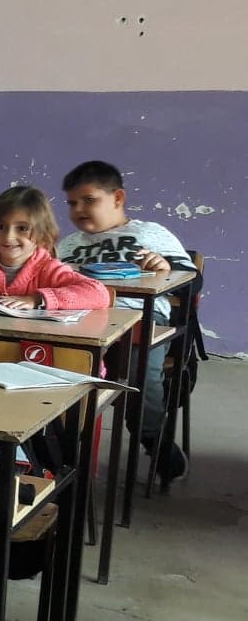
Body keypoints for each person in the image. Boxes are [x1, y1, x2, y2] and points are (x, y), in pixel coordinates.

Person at [58, 160, 194, 477]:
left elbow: (191, 282)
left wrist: (164, 266)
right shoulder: (68, 244)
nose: (79, 210)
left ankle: (153, 438)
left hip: (138, 320)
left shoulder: (149, 234)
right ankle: (54, 447)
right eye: (72, 203)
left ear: (118, 198)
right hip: (80, 319)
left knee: (138, 374)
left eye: (89, 200)